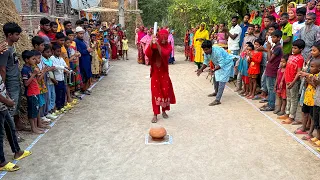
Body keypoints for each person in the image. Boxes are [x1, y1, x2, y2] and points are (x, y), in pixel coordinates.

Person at [0, 56, 32, 171]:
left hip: (3, 105)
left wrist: (7, 96)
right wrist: (7, 101)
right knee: (0, 135)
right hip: (1, 105)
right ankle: (1, 162)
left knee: (10, 127)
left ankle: (17, 151)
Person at [145, 29, 176, 123]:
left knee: (165, 91)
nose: (164, 40)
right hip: (155, 72)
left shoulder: (169, 46)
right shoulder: (155, 42)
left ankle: (164, 111)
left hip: (164, 72)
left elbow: (165, 53)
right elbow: (147, 53)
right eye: (162, 38)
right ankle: (155, 113)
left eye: (165, 38)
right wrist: (151, 43)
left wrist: (157, 45)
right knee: (155, 92)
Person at [0, 22, 26, 132]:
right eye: (16, 34)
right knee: (11, 106)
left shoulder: (12, 47)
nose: (18, 37)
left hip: (15, 78)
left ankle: (17, 125)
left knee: (16, 103)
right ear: (9, 35)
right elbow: (2, 69)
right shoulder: (5, 50)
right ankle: (11, 132)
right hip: (10, 80)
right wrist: (3, 85)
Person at [197, 40, 234, 106]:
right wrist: (201, 69)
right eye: (204, 50)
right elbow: (206, 62)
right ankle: (216, 92)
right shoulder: (206, 53)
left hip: (226, 64)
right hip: (218, 65)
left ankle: (217, 100)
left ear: (211, 48)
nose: (205, 51)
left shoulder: (217, 52)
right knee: (215, 79)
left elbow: (222, 63)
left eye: (206, 49)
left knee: (222, 81)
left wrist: (213, 69)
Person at [279, 40, 305, 124]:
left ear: (301, 49)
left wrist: (293, 82)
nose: (293, 49)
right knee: (289, 98)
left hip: (293, 82)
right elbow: (286, 69)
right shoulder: (290, 56)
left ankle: (291, 116)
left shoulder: (300, 59)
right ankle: (287, 113)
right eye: (293, 47)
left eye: (295, 48)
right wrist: (283, 80)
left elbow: (299, 72)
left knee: (294, 99)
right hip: (287, 80)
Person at [21, 50, 43, 134]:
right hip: (31, 93)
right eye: (33, 59)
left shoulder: (30, 68)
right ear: (27, 60)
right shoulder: (25, 70)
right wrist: (33, 74)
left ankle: (36, 126)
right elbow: (26, 83)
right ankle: (33, 128)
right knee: (32, 111)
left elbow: (35, 80)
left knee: (36, 109)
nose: (35, 61)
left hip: (35, 91)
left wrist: (38, 74)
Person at [260, 30, 283, 111]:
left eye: (274, 37)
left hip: (273, 70)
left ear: (279, 38)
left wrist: (268, 49)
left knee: (271, 88)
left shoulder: (278, 48)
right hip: (270, 69)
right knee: (269, 87)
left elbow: (269, 59)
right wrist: (269, 49)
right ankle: (269, 102)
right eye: (272, 37)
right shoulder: (275, 47)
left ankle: (271, 105)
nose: (272, 39)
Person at [299, 59, 320, 144]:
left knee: (314, 118)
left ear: (318, 68)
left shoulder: (316, 75)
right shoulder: (311, 75)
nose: (310, 68)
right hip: (308, 98)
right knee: (305, 113)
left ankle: (311, 133)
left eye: (312, 67)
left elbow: (315, 85)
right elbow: (306, 85)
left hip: (314, 100)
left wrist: (309, 77)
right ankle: (306, 129)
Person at [50, 44, 69, 112]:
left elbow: (64, 64)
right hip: (57, 78)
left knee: (63, 92)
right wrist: (64, 68)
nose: (59, 53)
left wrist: (68, 69)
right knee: (58, 93)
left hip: (62, 78)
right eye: (57, 51)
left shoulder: (60, 58)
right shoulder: (52, 58)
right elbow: (55, 66)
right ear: (53, 51)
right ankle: (58, 106)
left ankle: (62, 105)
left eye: (59, 51)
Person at [41, 44, 59, 118]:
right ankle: (48, 110)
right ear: (43, 52)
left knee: (53, 95)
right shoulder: (42, 60)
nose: (49, 54)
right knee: (48, 96)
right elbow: (47, 70)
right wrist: (50, 69)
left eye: (50, 52)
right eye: (47, 52)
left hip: (52, 79)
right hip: (48, 80)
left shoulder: (49, 60)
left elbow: (52, 68)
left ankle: (51, 108)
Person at [74, 27, 93, 95]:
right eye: (80, 33)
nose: (81, 35)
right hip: (82, 60)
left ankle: (86, 88)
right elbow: (79, 51)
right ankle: (83, 89)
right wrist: (87, 50)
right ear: (76, 34)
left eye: (82, 33)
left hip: (87, 60)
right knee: (84, 74)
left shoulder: (82, 41)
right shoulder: (76, 41)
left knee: (88, 73)